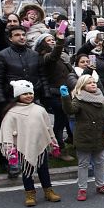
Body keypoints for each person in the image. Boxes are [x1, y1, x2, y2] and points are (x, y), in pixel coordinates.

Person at [0, 80, 61, 206]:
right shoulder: (12, 113)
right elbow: (7, 131)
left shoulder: (39, 110)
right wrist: (10, 150)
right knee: (27, 172)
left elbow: (48, 127)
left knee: (44, 170)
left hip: (40, 145)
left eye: (30, 93)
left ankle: (48, 191)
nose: (28, 96)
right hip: (24, 146)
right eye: (25, 94)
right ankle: (30, 193)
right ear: (18, 95)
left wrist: (53, 142)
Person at [60, 75, 104, 201]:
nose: (93, 84)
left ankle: (100, 185)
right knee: (83, 164)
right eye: (89, 83)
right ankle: (82, 188)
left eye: (94, 82)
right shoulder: (79, 98)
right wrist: (65, 97)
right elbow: (70, 110)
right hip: (84, 136)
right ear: (82, 85)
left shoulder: (101, 98)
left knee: (99, 162)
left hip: (99, 136)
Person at [35, 30, 75, 161]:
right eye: (49, 40)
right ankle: (59, 148)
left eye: (53, 39)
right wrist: (60, 41)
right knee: (60, 122)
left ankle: (59, 145)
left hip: (64, 94)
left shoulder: (61, 58)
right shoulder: (45, 57)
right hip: (54, 94)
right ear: (42, 44)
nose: (52, 41)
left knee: (63, 121)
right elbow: (53, 55)